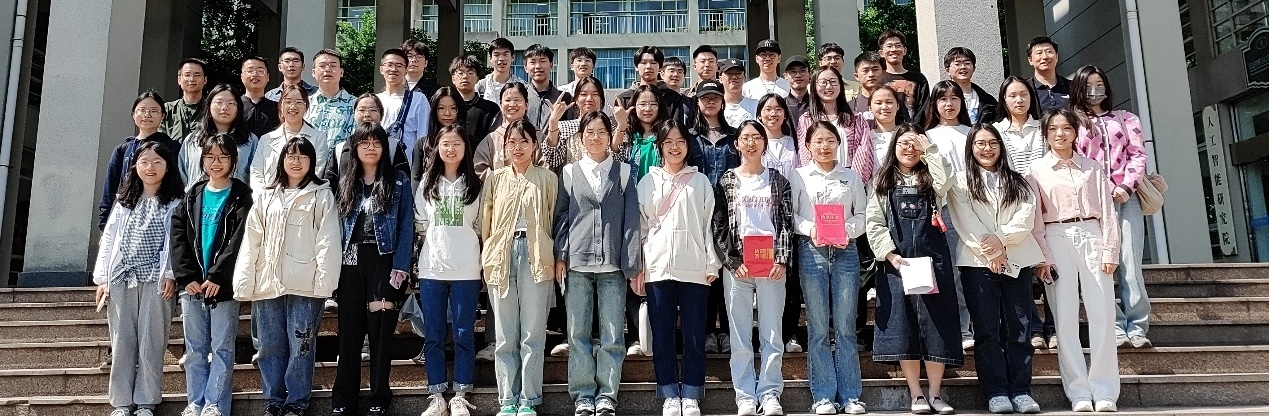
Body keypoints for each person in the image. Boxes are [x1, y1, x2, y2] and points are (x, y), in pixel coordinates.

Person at [233, 136, 341, 417]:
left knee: (301, 345)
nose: (296, 162)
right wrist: (245, 280)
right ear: (281, 161)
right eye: (291, 156)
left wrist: (325, 282)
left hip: (306, 285)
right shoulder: (266, 196)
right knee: (269, 345)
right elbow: (251, 241)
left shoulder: (322, 195)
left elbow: (328, 240)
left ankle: (297, 402)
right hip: (267, 282)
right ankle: (273, 400)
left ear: (312, 162)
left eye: (303, 157)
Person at [1026, 109, 1120, 413]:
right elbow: (1035, 219)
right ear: (1045, 134)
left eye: (1066, 128)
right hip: (1055, 236)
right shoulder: (1036, 170)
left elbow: (1108, 212)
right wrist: (1043, 256)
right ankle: (1078, 391)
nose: (1060, 134)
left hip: (1092, 233)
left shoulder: (1092, 167)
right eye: (1053, 128)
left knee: (1102, 315)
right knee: (1064, 318)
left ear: (1075, 132)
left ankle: (1105, 390)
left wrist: (1111, 250)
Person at [946, 124, 1045, 414]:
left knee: (1019, 327)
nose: (987, 149)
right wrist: (991, 251)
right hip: (977, 263)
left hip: (1018, 259)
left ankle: (1022, 390)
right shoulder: (960, 182)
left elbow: (1025, 218)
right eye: (980, 143)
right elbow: (965, 221)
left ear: (1001, 146)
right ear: (971, 148)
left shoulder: (1018, 180)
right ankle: (996, 391)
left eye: (992, 143)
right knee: (987, 330)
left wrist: (1000, 241)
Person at [866, 124, 962, 415]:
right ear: (893, 147)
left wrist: (929, 149)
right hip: (898, 263)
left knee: (937, 325)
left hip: (934, 261)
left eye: (915, 143)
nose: (909, 149)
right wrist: (890, 255)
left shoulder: (930, 176)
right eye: (903, 143)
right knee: (903, 325)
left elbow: (946, 179)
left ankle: (936, 394)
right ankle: (916, 394)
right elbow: (874, 222)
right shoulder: (883, 181)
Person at [552, 111, 641, 416]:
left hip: (613, 266)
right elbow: (562, 218)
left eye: (602, 132)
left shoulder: (624, 172)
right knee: (577, 334)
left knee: (612, 335)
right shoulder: (569, 172)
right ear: (580, 137)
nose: (595, 137)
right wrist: (561, 255)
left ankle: (607, 395)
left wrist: (631, 264)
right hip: (577, 263)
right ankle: (582, 395)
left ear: (610, 136)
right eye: (589, 132)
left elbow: (631, 220)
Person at [634, 119, 720, 417]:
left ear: (688, 146)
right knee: (663, 335)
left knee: (695, 335)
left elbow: (709, 225)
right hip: (657, 267)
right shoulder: (647, 182)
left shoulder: (701, 182)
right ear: (659, 146)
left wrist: (711, 262)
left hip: (695, 266)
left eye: (680, 141)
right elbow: (641, 228)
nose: (674, 147)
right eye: (668, 142)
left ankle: (692, 393)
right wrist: (640, 267)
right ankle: (669, 393)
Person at [329, 123, 415, 416]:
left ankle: (379, 395)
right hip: (350, 260)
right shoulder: (346, 181)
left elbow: (406, 226)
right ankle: (344, 398)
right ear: (354, 148)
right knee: (349, 331)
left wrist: (400, 267)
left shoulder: (399, 181)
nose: (370, 147)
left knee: (380, 331)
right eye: (364, 142)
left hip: (384, 260)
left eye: (376, 142)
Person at [94, 141, 183, 417]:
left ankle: (146, 402)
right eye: (144, 162)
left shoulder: (175, 202)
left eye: (157, 162)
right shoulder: (124, 201)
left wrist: (170, 274)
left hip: (157, 280)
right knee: (121, 341)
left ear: (167, 167)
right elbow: (109, 239)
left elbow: (176, 243)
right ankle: (121, 403)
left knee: (151, 342)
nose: (150, 168)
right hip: (122, 278)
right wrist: (103, 278)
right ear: (135, 166)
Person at [712, 120, 794, 416]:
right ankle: (745, 394)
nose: (751, 143)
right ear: (736, 144)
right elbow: (719, 225)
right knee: (740, 335)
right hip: (739, 267)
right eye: (745, 138)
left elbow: (785, 222)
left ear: (764, 143)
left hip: (771, 265)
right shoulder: (726, 180)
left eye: (757, 137)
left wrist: (782, 258)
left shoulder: (778, 180)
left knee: (772, 334)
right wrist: (731, 261)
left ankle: (770, 393)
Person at [478, 119, 558, 416]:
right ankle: (507, 399)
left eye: (524, 141)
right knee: (504, 335)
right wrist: (489, 254)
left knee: (532, 333)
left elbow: (554, 217)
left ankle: (528, 399)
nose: (518, 147)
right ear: (505, 146)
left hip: (536, 254)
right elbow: (485, 222)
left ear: (534, 145)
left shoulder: (547, 178)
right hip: (502, 255)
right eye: (512, 142)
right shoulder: (495, 179)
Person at [170, 134, 253, 417]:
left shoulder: (242, 195)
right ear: (202, 160)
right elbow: (178, 237)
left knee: (222, 348)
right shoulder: (193, 194)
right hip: (193, 286)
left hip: (223, 287)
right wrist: (186, 276)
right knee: (194, 349)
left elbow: (239, 240)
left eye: (223, 157)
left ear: (233, 160)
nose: (216, 163)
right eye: (210, 157)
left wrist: (218, 276)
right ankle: (195, 403)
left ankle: (215, 403)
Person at [1070, 65, 1152, 349]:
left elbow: (1138, 154)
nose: (1095, 90)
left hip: (1126, 199)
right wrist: (1100, 188)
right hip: (1093, 203)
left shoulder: (1126, 118)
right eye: (1088, 85)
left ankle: (1137, 326)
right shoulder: (1073, 122)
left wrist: (1126, 186)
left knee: (1130, 263)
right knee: (1101, 266)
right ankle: (1115, 325)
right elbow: (1074, 160)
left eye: (1099, 84)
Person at [790, 121, 869, 416]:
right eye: (818, 141)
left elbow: (862, 214)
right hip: (812, 252)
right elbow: (792, 215)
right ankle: (823, 396)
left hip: (846, 252)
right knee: (819, 327)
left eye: (830, 140)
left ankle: (850, 396)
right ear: (808, 146)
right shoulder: (799, 176)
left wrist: (848, 230)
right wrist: (810, 228)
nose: (825, 146)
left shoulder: (851, 176)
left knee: (846, 327)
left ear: (838, 144)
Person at [415, 125, 484, 417]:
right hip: (432, 269)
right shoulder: (426, 184)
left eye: (457, 143)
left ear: (465, 148)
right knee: (433, 334)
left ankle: (460, 395)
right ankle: (436, 396)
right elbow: (420, 224)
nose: (451, 149)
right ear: (437, 148)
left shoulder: (476, 184)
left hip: (467, 269)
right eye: (446, 144)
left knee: (464, 333)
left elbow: (480, 225)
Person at [991, 76, 1052, 349]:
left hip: (1049, 204)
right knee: (1024, 268)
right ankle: (1034, 328)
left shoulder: (1044, 128)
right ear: (1003, 100)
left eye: (1024, 94)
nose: (1019, 100)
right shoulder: (996, 131)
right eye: (1012, 95)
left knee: (1050, 264)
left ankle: (1053, 326)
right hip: (1015, 206)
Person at [922, 80, 976, 350]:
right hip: (945, 210)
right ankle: (962, 329)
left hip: (975, 209)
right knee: (953, 272)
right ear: (934, 104)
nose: (949, 104)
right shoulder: (927, 137)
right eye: (943, 99)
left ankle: (977, 326)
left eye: (954, 98)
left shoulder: (973, 133)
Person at [683, 80, 736, 355]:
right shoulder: (688, 137)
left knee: (727, 271)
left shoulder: (735, 135)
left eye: (716, 96)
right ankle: (706, 332)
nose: (711, 101)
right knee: (703, 273)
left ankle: (726, 331)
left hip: (730, 214)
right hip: (698, 211)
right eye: (706, 97)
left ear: (723, 101)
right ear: (698, 102)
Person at [757, 93, 805, 355]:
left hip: (791, 215)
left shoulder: (794, 142)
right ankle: (767, 334)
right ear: (759, 114)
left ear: (785, 114)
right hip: (761, 218)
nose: (773, 114)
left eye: (777, 109)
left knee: (790, 278)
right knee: (764, 277)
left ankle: (790, 332)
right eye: (767, 109)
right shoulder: (754, 141)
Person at [99, 92, 182, 230]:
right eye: (142, 110)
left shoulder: (173, 147)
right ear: (133, 114)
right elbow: (110, 188)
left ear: (162, 115)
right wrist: (104, 222)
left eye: (153, 111)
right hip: (127, 212)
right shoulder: (123, 149)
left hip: (161, 214)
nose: (147, 115)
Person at [796, 67, 874, 185]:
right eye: (823, 82)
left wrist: (854, 182)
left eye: (833, 82)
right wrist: (813, 181)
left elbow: (864, 153)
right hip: (817, 182)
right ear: (814, 86)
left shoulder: (856, 120)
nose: (828, 87)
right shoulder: (806, 120)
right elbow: (804, 153)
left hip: (849, 181)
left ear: (840, 86)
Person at [178, 83, 259, 189]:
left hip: (237, 197)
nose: (224, 108)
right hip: (197, 197)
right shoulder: (193, 139)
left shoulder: (250, 140)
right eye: (219, 103)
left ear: (238, 108)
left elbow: (255, 175)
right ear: (209, 106)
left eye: (231, 103)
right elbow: (182, 173)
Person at [254, 84, 330, 191]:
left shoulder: (318, 138)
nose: (293, 106)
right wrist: (263, 195)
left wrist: (296, 195)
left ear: (306, 107)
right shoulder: (266, 139)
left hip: (304, 197)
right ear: (280, 106)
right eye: (288, 102)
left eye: (299, 102)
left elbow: (317, 171)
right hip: (269, 197)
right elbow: (256, 172)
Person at [323, 94, 410, 186]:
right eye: (361, 110)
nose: (367, 114)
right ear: (354, 114)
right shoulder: (340, 149)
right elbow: (329, 186)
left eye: (373, 110)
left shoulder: (393, 147)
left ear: (381, 114)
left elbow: (405, 183)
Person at [542, 77, 608, 170]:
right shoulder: (563, 127)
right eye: (584, 94)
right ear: (576, 99)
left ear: (601, 99)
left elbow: (617, 158)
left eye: (595, 94)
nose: (589, 98)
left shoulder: (610, 128)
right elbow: (553, 160)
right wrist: (553, 122)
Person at [377, 48, 431, 162]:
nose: (393, 69)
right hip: (378, 163)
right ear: (381, 69)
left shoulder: (418, 99)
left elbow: (423, 136)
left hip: (407, 165)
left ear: (406, 71)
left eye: (399, 65)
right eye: (389, 65)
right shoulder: (375, 100)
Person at [616, 46, 690, 125]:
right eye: (644, 62)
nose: (648, 67)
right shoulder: (624, 99)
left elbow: (677, 127)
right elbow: (615, 128)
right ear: (636, 67)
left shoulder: (673, 98)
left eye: (653, 63)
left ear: (660, 67)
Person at [411, 87, 468, 188]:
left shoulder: (470, 142)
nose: (447, 113)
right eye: (441, 108)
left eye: (453, 108)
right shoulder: (422, 144)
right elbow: (416, 178)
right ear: (434, 111)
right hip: (428, 195)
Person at [474, 83, 533, 178]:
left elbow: (544, 167)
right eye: (507, 100)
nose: (512, 104)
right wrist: (500, 181)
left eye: (517, 100)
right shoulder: (492, 139)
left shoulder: (537, 135)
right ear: (501, 105)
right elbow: (479, 167)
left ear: (526, 105)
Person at [304, 48, 357, 149]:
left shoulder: (356, 105)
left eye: (333, 66)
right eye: (322, 66)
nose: (328, 69)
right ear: (313, 72)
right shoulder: (305, 104)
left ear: (341, 72)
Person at [614, 84, 667, 180]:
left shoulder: (666, 134)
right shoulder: (626, 134)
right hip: (630, 189)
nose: (648, 109)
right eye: (642, 104)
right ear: (634, 107)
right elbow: (614, 153)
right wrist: (621, 125)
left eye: (653, 104)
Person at [451, 55, 503, 150]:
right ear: (453, 78)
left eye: (470, 73)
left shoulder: (491, 109)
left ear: (477, 78)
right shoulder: (447, 107)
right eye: (460, 73)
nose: (465, 77)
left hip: (481, 157)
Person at [878, 31, 929, 122]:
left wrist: (915, 128)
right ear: (881, 53)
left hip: (913, 129)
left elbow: (924, 109)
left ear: (904, 50)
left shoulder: (919, 79)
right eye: (889, 46)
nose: (894, 49)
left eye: (898, 45)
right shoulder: (878, 79)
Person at [943, 47, 997, 124]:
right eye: (957, 64)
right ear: (947, 70)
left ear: (974, 68)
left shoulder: (988, 101)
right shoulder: (939, 99)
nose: (963, 67)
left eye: (967, 63)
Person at [852, 52, 910, 123]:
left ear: (883, 73)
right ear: (857, 76)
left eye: (875, 69)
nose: (871, 74)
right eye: (865, 70)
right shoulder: (850, 107)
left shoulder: (895, 103)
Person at [160, 58, 208, 142]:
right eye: (187, 75)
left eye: (197, 75)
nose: (192, 79)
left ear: (205, 80)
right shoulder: (167, 109)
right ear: (179, 79)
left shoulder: (211, 109)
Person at [523, 44, 564, 131]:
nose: (538, 66)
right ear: (526, 67)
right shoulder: (520, 96)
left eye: (543, 61)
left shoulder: (563, 98)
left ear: (551, 65)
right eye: (533, 62)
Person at [476, 38, 526, 103]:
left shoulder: (522, 86)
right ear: (490, 58)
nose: (501, 59)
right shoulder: (481, 86)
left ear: (513, 57)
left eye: (505, 54)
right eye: (496, 55)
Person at [1026, 37, 1070, 111]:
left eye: (1049, 51)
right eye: (1039, 53)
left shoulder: (1072, 87)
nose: (1045, 57)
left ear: (1057, 56)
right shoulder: (1025, 88)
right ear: (1030, 60)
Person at [241, 56, 280, 137]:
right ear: (242, 77)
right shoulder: (235, 106)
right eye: (249, 71)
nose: (255, 74)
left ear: (268, 77)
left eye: (260, 71)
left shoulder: (278, 108)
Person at [719, 58, 757, 128]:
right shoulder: (716, 107)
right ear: (720, 79)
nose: (734, 77)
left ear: (744, 77)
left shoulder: (756, 105)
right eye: (729, 73)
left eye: (738, 73)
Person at [783, 55, 813, 123]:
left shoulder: (818, 104)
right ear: (785, 76)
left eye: (802, 71)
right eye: (793, 72)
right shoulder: (781, 105)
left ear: (810, 74)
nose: (798, 75)